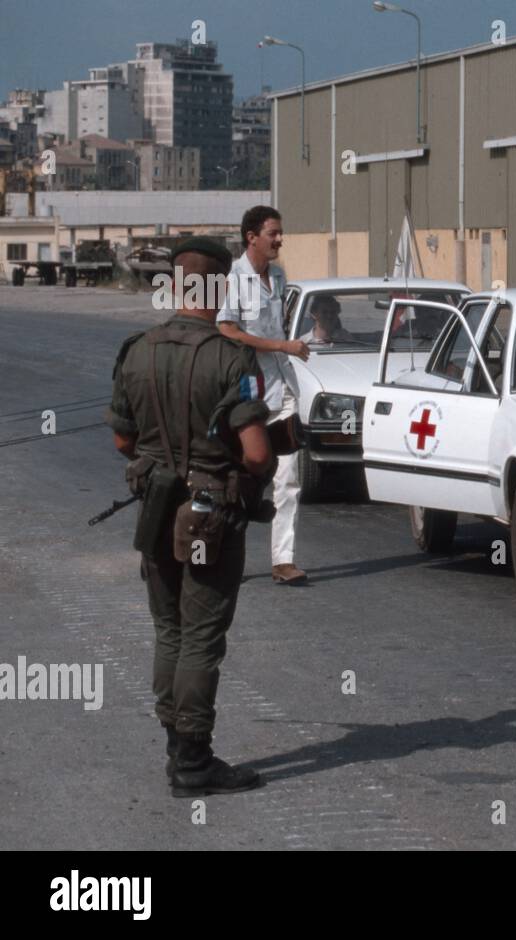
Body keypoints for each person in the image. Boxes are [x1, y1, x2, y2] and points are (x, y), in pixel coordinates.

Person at [105, 237, 272, 796]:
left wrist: (157, 460)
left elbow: (123, 438)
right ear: (219, 286)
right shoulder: (232, 357)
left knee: (169, 629)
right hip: (209, 518)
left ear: (175, 285)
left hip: (156, 511)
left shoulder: (137, 349)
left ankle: (176, 750)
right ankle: (195, 765)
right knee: (201, 635)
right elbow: (255, 453)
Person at [217, 205, 311, 585]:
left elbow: (279, 325)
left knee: (288, 480)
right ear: (251, 236)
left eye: (280, 232)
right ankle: (221, 553)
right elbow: (228, 330)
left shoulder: (279, 276)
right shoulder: (233, 280)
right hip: (248, 391)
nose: (279, 240)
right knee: (239, 475)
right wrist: (281, 346)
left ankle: (283, 560)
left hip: (284, 388)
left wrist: (286, 349)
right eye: (272, 233)